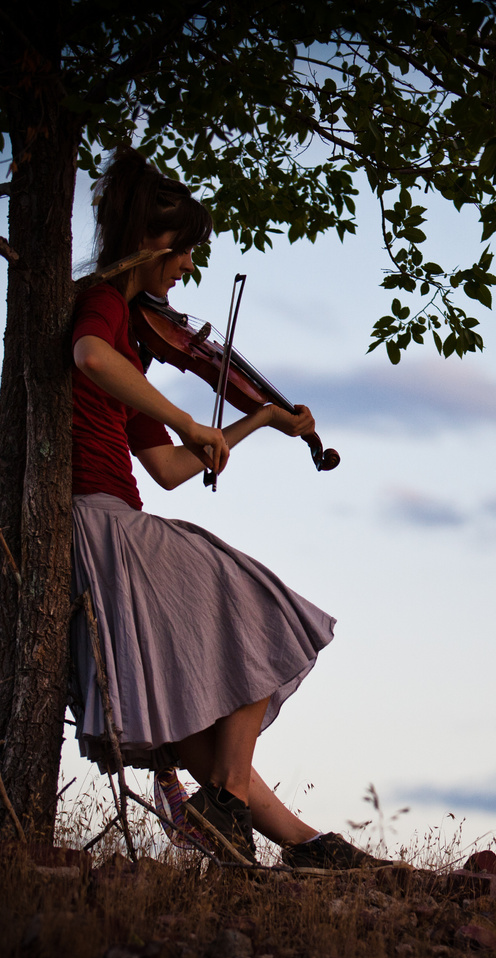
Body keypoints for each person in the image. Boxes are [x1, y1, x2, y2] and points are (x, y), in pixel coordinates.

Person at [70, 148, 378, 872]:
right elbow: (88, 355)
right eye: (183, 257)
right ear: (153, 245)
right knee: (262, 609)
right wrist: (192, 417)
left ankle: (300, 844)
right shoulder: (103, 305)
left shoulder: (133, 356)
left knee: (204, 734)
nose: (185, 273)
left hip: (118, 517)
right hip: (100, 521)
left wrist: (255, 422)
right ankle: (231, 796)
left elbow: (174, 469)